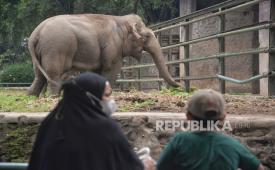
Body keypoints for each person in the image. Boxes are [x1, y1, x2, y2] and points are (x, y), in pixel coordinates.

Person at [28, 72, 148, 170]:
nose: (111, 100)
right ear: (90, 97)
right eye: (107, 95)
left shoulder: (49, 124)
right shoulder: (105, 129)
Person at [157, 89, 265, 170]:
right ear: (223, 118)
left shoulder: (180, 140)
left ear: (188, 117)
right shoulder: (231, 144)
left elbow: (160, 167)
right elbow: (259, 168)